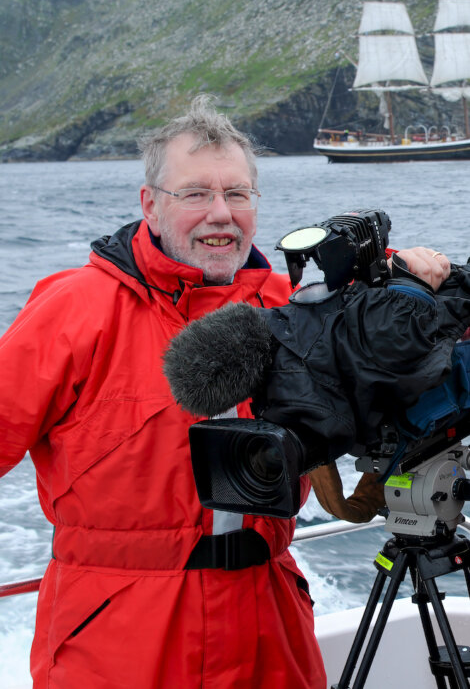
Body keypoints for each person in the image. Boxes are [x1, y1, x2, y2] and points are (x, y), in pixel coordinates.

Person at [0, 95, 451, 689]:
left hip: (270, 626)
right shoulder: (74, 312)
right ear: (150, 206)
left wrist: (414, 281)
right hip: (119, 639)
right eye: (196, 194)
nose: (221, 213)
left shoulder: (290, 307)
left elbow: (381, 330)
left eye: (237, 195)